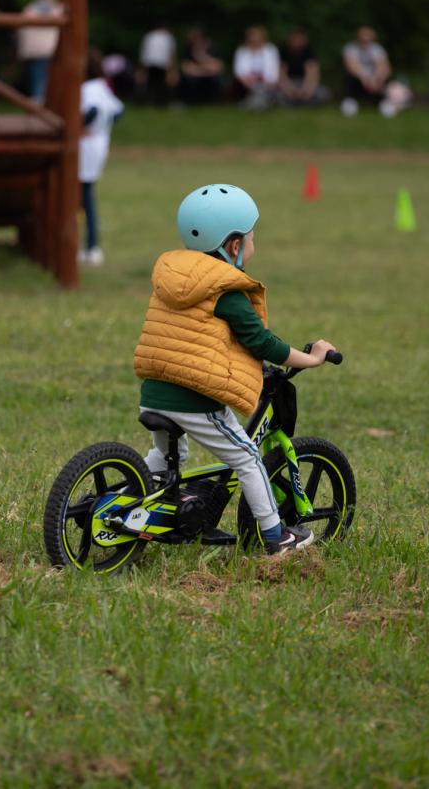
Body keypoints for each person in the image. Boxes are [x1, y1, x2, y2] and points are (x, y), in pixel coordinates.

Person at [133, 184, 338, 555]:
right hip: (192, 400)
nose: (254, 247)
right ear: (233, 246)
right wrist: (312, 357)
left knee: (166, 457)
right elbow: (262, 343)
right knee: (247, 458)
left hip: (153, 392)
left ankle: (139, 499)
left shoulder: (175, 278)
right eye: (251, 239)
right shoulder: (226, 291)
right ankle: (276, 537)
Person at [78, 49, 123, 267]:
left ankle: (91, 246)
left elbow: (92, 111)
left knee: (83, 197)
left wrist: (81, 128)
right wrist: (103, 128)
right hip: (99, 143)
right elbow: (118, 111)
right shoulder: (102, 86)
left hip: (86, 146)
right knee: (85, 196)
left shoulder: (86, 89)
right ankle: (90, 246)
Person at [16, 0, 61, 104]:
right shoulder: (59, 10)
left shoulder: (29, 10)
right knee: (50, 83)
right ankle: (47, 110)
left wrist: (21, 50)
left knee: (37, 82)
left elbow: (21, 30)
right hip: (53, 50)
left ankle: (37, 111)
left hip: (34, 51)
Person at [341, 25, 390, 115]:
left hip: (374, 79)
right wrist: (365, 78)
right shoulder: (351, 48)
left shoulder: (377, 49)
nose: (365, 38)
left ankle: (384, 102)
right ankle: (350, 102)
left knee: (386, 78)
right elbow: (352, 66)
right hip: (359, 78)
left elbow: (384, 66)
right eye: (363, 35)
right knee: (349, 77)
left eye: (368, 35)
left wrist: (378, 77)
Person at [232, 25, 279, 110]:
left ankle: (256, 102)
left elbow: (275, 67)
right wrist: (245, 80)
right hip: (247, 80)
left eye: (257, 35)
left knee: (263, 88)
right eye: (252, 36)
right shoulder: (242, 50)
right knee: (254, 88)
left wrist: (271, 80)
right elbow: (238, 70)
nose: (255, 38)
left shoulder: (270, 49)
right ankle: (257, 102)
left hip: (266, 80)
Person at [278, 28, 327, 106]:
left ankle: (304, 103)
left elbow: (313, 75)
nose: (297, 41)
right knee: (277, 94)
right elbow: (281, 75)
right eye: (295, 39)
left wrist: (306, 91)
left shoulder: (309, 52)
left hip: (305, 83)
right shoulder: (283, 51)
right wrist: (290, 90)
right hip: (290, 83)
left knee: (323, 93)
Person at [178, 26, 223, 105]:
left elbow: (218, 66)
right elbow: (186, 67)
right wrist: (205, 68)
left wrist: (200, 65)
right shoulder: (188, 48)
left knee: (215, 79)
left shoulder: (212, 47)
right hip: (196, 75)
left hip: (209, 75)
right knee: (188, 79)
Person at [138, 23, 175, 105]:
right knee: (161, 84)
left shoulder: (149, 36)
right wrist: (171, 70)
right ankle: (160, 102)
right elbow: (171, 54)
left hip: (149, 63)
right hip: (162, 64)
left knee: (150, 84)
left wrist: (142, 68)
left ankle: (149, 101)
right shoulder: (168, 37)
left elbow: (144, 52)